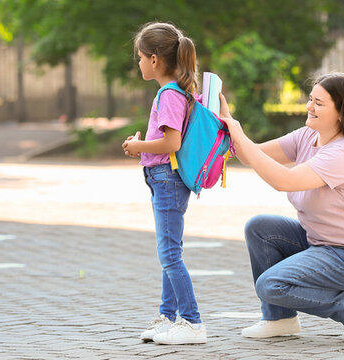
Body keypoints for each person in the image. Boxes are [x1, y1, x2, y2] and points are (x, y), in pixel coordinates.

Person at [217, 72, 344, 341]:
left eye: (319, 103)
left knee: (271, 285)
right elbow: (252, 155)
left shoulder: (342, 153)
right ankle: (280, 320)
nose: (310, 106)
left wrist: (237, 132)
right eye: (311, 99)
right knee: (261, 228)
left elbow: (284, 180)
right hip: (321, 243)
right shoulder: (308, 136)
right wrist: (224, 124)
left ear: (341, 113)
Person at [121, 22, 207, 345]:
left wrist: (138, 146)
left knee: (169, 254)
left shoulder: (169, 94)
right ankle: (168, 317)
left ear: (155, 60)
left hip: (167, 179)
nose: (139, 63)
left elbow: (171, 143)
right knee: (170, 251)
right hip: (163, 179)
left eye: (141, 57)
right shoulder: (174, 92)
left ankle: (192, 321)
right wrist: (145, 144)